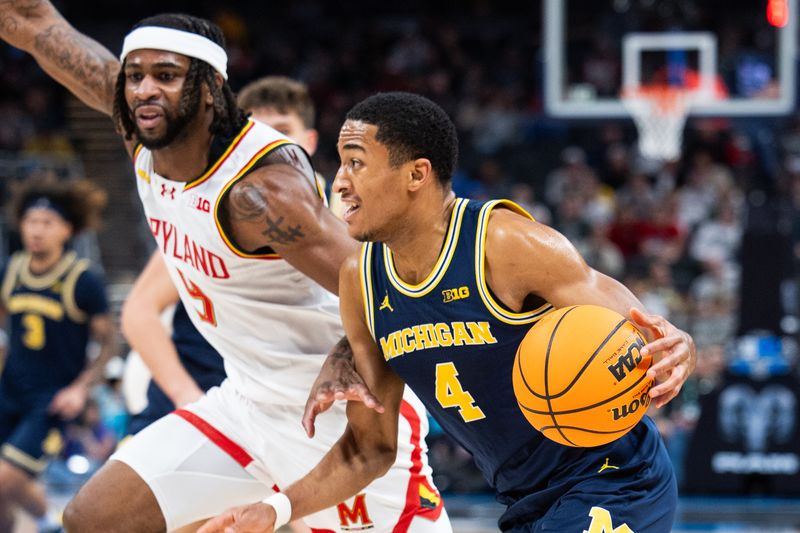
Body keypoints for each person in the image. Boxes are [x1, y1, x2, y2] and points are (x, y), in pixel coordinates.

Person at [0, 6, 450, 532]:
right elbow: (35, 23)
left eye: (166, 76)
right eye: (136, 76)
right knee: (95, 517)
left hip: (336, 414)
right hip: (244, 407)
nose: (146, 89)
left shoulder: (261, 194)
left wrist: (351, 346)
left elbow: (395, 281)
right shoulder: (142, 132)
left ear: (210, 87)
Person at [200, 93, 697, 533]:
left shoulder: (503, 243)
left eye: (357, 164)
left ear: (417, 173)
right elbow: (369, 450)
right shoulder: (360, 280)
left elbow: (649, 334)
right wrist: (275, 510)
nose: (341, 183)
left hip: (614, 479)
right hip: (523, 499)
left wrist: (681, 348)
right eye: (341, 164)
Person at [0, 177, 115, 532]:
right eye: (32, 221)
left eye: (47, 223)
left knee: (4, 481)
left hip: (50, 401)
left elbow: (111, 343)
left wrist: (80, 389)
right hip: (9, 391)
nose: (37, 230)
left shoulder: (82, 280)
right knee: (4, 493)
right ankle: (48, 523)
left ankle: (46, 521)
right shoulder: (11, 271)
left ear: (67, 230)